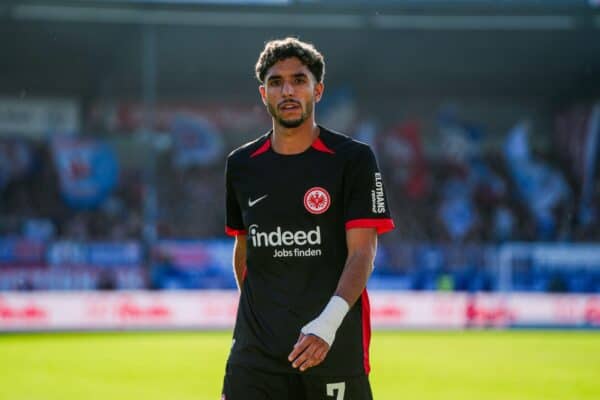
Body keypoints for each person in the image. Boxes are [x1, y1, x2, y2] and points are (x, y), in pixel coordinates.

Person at [222, 37, 395, 400]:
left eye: (299, 80)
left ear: (318, 91)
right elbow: (244, 250)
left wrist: (327, 324)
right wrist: (264, 317)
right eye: (276, 82)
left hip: (332, 347)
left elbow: (362, 253)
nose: (287, 90)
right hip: (256, 356)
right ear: (263, 94)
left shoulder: (354, 160)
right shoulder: (240, 165)